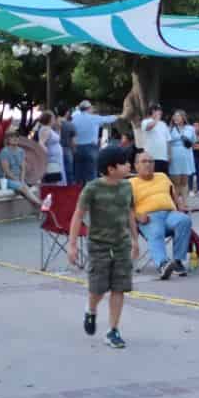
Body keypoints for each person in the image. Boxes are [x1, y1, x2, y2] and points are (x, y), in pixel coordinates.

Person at [67, 144, 138, 349]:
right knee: (98, 288)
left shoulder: (127, 187)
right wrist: (72, 245)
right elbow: (78, 215)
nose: (128, 165)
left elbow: (130, 213)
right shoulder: (92, 188)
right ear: (111, 169)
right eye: (124, 163)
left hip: (122, 244)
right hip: (98, 244)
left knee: (119, 287)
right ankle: (91, 310)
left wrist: (134, 240)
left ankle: (113, 330)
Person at [129, 147, 193, 279]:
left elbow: (175, 196)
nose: (148, 164)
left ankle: (178, 262)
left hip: (169, 214)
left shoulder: (162, 176)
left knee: (184, 220)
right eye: (144, 161)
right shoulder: (131, 183)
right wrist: (137, 216)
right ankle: (163, 264)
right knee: (156, 231)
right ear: (136, 166)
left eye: (151, 161)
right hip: (148, 217)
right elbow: (125, 207)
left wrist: (181, 208)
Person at [69, 100, 119, 185]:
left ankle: (78, 191)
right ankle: (91, 192)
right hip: (90, 148)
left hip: (76, 148)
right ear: (88, 108)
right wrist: (119, 116)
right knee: (91, 174)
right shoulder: (94, 117)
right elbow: (108, 119)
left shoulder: (73, 118)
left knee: (78, 173)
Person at [166, 109, 196, 207]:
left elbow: (193, 141)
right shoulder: (170, 128)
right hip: (175, 155)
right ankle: (176, 202)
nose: (176, 118)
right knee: (176, 181)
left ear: (183, 118)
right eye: (175, 116)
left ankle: (185, 202)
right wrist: (168, 155)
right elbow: (168, 143)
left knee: (184, 180)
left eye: (178, 116)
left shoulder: (190, 128)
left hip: (187, 155)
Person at [139, 104, 170, 175]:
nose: (161, 112)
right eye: (159, 110)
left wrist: (169, 155)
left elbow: (168, 141)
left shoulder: (163, 124)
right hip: (150, 158)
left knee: (163, 179)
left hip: (163, 157)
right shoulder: (145, 121)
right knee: (152, 179)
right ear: (153, 111)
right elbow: (148, 127)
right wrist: (156, 119)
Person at [36, 111, 64, 183]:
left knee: (56, 177)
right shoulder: (45, 129)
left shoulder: (49, 128)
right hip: (52, 159)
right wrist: (47, 153)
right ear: (49, 119)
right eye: (53, 118)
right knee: (53, 178)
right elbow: (41, 143)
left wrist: (58, 128)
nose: (54, 119)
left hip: (56, 158)